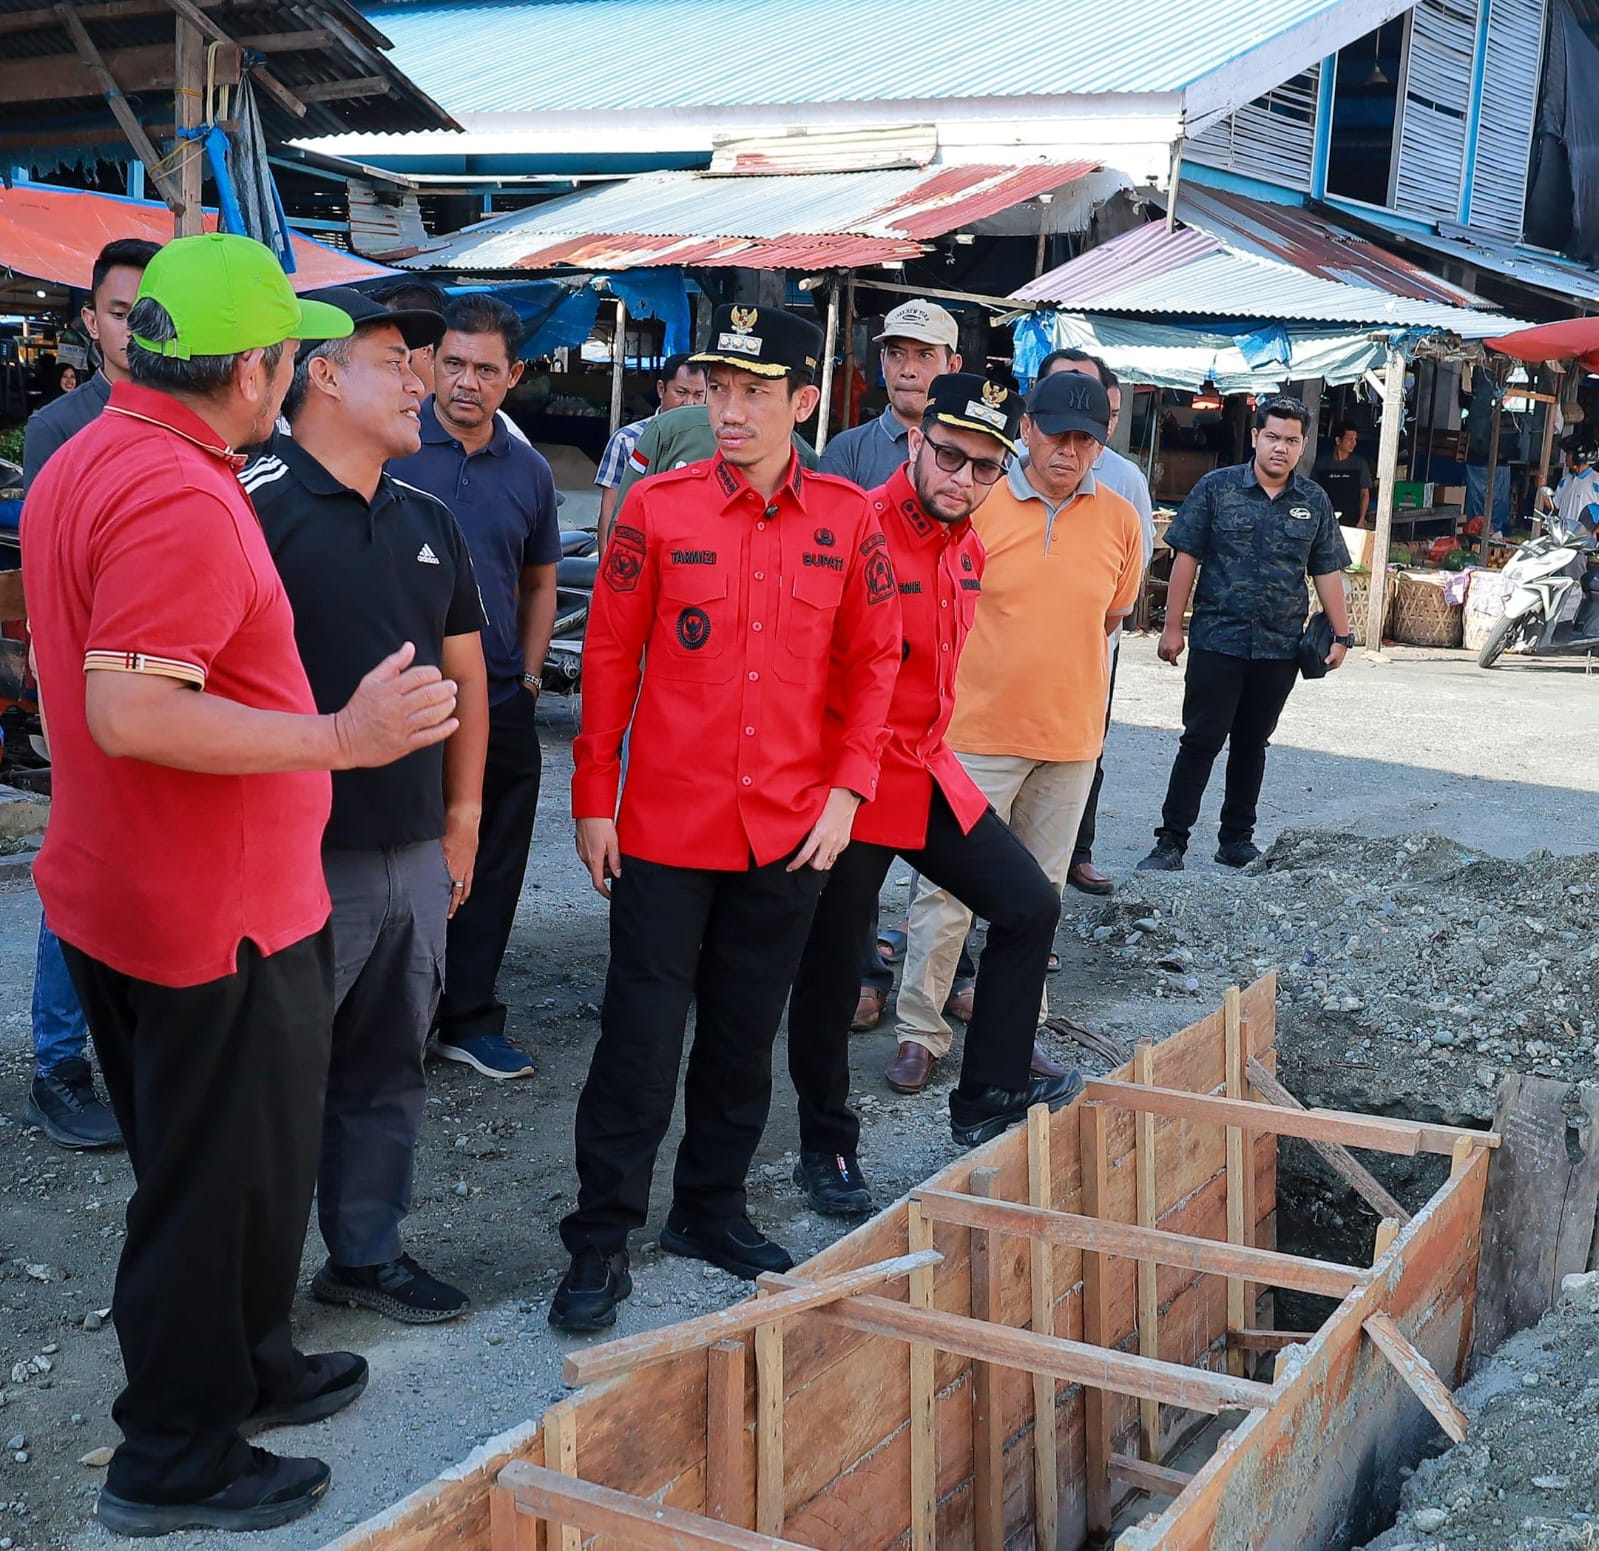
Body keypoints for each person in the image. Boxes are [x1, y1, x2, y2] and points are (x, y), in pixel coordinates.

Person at [21, 232, 460, 1536]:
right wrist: (339, 735)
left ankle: (252, 1363)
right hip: (209, 911)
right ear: (261, 367)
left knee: (243, 1169)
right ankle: (171, 1455)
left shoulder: (96, 448)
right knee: (207, 1189)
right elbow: (129, 708)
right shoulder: (179, 492)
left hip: (140, 890)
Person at [550, 303, 901, 1332]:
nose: (730, 410)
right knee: (639, 1043)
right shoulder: (658, 509)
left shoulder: (847, 516)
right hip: (662, 826)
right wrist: (592, 800)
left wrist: (847, 791)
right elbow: (608, 657)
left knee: (746, 1038)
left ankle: (709, 1207)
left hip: (789, 828)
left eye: (755, 391)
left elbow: (873, 661)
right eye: (718, 388)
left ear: (804, 400)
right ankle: (601, 1239)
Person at [245, 288, 489, 1324]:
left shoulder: (428, 516)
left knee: (391, 1065)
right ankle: (247, 1304)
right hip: (292, 861)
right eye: (396, 360)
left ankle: (366, 1253)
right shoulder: (250, 505)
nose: (422, 382)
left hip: (411, 852)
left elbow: (468, 675)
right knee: (269, 1087)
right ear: (321, 373)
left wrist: (463, 817)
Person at [787, 374, 1080, 1214]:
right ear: (915, 442)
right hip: (851, 777)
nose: (961, 477)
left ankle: (986, 1095)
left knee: (1028, 903)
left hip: (923, 767)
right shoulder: (855, 527)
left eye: (983, 466)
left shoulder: (967, 543)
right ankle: (825, 1146)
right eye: (948, 454)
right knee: (835, 970)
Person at [887, 371, 1142, 1095]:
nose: (1067, 450)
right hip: (971, 735)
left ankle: (1015, 1031)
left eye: (1084, 440)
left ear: (1100, 445)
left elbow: (1111, 615)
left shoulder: (1120, 519)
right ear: (1024, 427)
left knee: (1037, 898)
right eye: (1055, 432)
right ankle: (919, 1031)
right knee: (944, 895)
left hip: (1068, 741)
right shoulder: (981, 497)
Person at [389, 294, 561, 1080]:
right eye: (452, 363)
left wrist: (527, 677)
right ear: (431, 365)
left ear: (512, 375)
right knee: (399, 859)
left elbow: (538, 584)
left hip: (495, 700)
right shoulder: (392, 445)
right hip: (400, 700)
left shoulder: (526, 470)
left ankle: (468, 1014)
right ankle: (393, 1019)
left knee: (490, 862)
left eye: (485, 369)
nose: (466, 382)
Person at [20, 235, 159, 1151]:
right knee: (78, 867)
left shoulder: (196, 416)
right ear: (91, 321)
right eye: (119, 311)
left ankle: (131, 1046)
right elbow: (45, 585)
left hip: (167, 689)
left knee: (150, 867)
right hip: (85, 688)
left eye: (151, 311)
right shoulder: (60, 429)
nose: (135, 326)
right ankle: (57, 1062)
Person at [820, 299, 963, 1033]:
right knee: (856, 862)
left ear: (951, 366)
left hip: (940, 703)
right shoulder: (849, 451)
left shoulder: (977, 453)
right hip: (864, 699)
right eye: (896, 353)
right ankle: (863, 975)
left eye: (924, 354)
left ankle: (951, 971)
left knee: (955, 853)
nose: (908, 366)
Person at [1138, 396, 1353, 874]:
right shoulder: (1216, 489)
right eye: (1272, 436)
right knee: (1200, 740)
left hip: (1280, 647)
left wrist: (1342, 634)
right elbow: (1186, 557)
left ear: (1302, 446)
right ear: (1255, 436)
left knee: (1253, 744)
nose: (1281, 447)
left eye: (1291, 440)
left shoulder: (1313, 502)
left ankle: (1236, 840)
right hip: (1218, 639)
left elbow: (1327, 571)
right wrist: (1172, 627)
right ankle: (1170, 842)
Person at [1029, 349, 1155, 901]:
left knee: (1077, 765)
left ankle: (1077, 855)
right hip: (992, 690)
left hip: (1085, 652)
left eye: (1085, 431)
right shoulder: (995, 479)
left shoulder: (1125, 484)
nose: (1070, 443)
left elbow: (1120, 594)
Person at [594, 353, 707, 550]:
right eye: (681, 392)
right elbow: (610, 514)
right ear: (661, 389)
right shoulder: (627, 440)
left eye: (699, 395)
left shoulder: (717, 442)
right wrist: (607, 574)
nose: (690, 403)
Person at [1312, 421, 1373, 527]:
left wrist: (1362, 519)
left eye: (1355, 440)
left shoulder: (1360, 464)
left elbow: (1364, 493)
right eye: (1350, 439)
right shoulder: (1322, 464)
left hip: (1352, 521)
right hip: (1326, 521)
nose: (1354, 443)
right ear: (1338, 440)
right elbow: (1314, 492)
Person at [1549, 431, 1599, 533]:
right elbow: (1554, 505)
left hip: (1582, 542)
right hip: (1561, 537)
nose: (1566, 457)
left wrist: (1596, 531)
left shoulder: (1596, 481)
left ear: (1579, 456)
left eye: (1569, 453)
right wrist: (1542, 489)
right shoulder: (1565, 480)